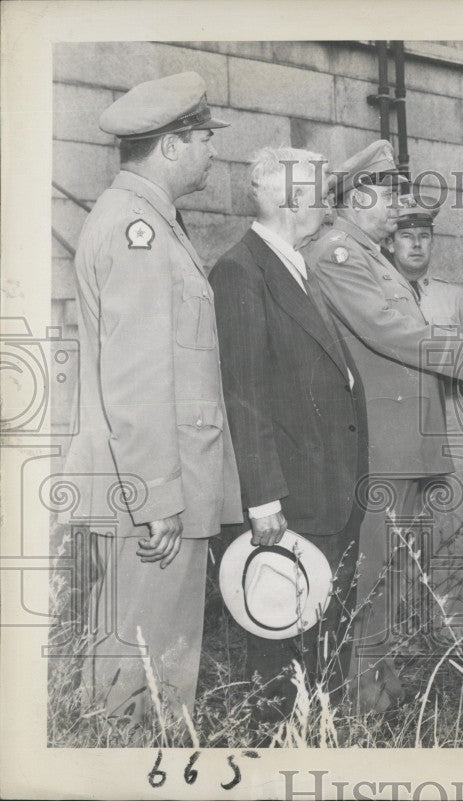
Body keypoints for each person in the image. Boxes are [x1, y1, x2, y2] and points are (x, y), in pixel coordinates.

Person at [61, 72, 242, 726]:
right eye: (201, 138)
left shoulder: (148, 223)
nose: (211, 151)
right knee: (139, 673)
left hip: (158, 489)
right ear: (170, 146)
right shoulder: (137, 233)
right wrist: (157, 496)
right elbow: (136, 380)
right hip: (154, 498)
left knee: (150, 664)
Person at [301, 143, 463, 713]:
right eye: (387, 195)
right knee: (371, 579)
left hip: (406, 444)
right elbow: (389, 332)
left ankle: (381, 684)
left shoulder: (371, 256)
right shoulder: (338, 253)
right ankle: (362, 700)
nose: (397, 206)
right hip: (382, 445)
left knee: (388, 578)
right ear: (357, 195)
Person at [210, 147, 367, 720]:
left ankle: (322, 735)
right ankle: (281, 747)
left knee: (324, 626)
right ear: (291, 198)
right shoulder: (240, 270)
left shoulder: (293, 262)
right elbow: (244, 394)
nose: (329, 208)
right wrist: (263, 496)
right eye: (323, 195)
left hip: (327, 482)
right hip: (291, 493)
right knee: (280, 632)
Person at [386, 192, 463, 629]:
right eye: (407, 236)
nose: (416, 244)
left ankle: (449, 623)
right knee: (400, 526)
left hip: (451, 421)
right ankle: (402, 626)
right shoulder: (377, 292)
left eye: (424, 236)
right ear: (391, 242)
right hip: (400, 426)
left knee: (450, 525)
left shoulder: (455, 297)